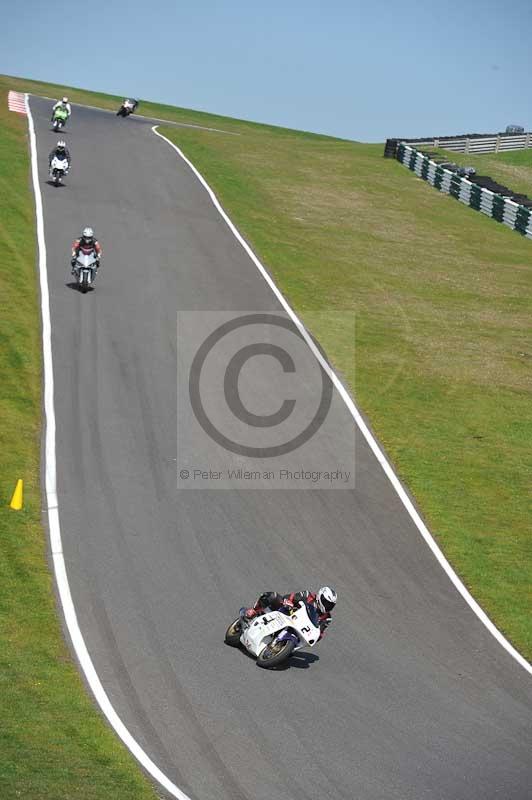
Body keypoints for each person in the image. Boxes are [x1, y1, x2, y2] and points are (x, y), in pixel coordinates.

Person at [242, 586, 337, 640]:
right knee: (273, 596)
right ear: (320, 596)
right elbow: (290, 597)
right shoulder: (307, 595)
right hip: (287, 613)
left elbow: (319, 634)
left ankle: (281, 647)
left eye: (330, 605)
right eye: (327, 602)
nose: (328, 606)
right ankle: (254, 611)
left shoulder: (327, 618)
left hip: (299, 630)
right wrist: (288, 602)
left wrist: (316, 635)